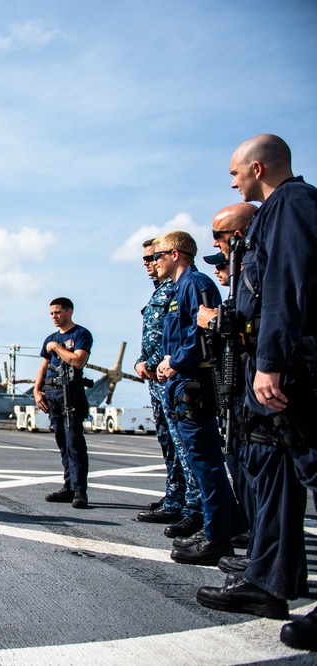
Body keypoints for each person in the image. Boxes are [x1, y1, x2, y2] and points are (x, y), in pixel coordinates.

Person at [196, 134, 317, 651]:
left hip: (290, 370)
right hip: (267, 369)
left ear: (258, 167)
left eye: (235, 171)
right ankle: (271, 582)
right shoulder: (273, 212)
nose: (232, 179)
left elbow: (287, 288)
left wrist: (269, 363)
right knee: (272, 477)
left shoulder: (292, 204)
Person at [154, 231, 242, 565]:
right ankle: (226, 526)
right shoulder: (180, 289)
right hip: (181, 382)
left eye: (158, 255)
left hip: (193, 382)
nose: (154, 262)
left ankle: (218, 537)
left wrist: (174, 362)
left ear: (175, 254)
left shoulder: (196, 283)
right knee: (201, 460)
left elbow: (204, 330)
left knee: (205, 462)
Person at [133, 240, 197, 529]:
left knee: (184, 445)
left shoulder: (179, 288)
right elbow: (152, 336)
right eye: (146, 259)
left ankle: (193, 507)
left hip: (170, 376)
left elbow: (174, 337)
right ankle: (175, 497)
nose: (149, 263)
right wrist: (141, 361)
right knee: (169, 444)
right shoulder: (159, 291)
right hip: (156, 380)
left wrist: (152, 362)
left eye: (153, 257)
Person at [33, 297, 93, 509]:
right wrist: (37, 391)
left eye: (58, 312)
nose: (54, 317)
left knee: (75, 443)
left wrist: (57, 347)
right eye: (51, 313)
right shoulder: (49, 338)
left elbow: (78, 360)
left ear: (69, 311)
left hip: (71, 393)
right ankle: (68, 486)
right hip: (52, 394)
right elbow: (43, 367)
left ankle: (79, 491)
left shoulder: (81, 334)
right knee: (62, 443)